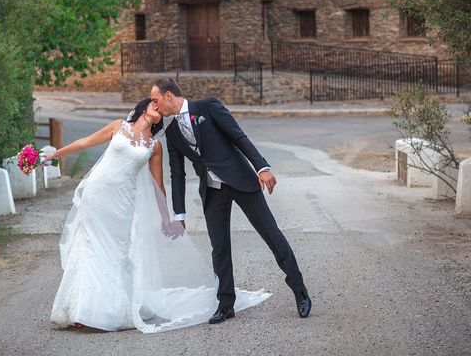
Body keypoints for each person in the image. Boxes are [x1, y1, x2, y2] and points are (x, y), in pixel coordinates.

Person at [45, 98, 270, 333]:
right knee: (90, 246)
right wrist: (54, 156)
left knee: (115, 251)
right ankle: (83, 309)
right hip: (96, 193)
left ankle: (108, 308)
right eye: (154, 105)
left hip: (122, 202)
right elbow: (85, 142)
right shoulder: (117, 126)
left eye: (161, 110)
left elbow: (158, 185)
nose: (158, 110)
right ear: (142, 108)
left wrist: (167, 217)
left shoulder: (154, 146)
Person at [150, 79, 311, 324]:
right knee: (220, 249)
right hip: (213, 191)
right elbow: (177, 175)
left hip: (241, 181)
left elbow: (238, 137)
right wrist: (179, 214)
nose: (154, 104)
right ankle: (226, 305)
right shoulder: (171, 133)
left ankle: (300, 291)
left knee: (272, 235)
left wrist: (262, 168)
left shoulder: (208, 107)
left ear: (169, 95)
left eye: (155, 99)